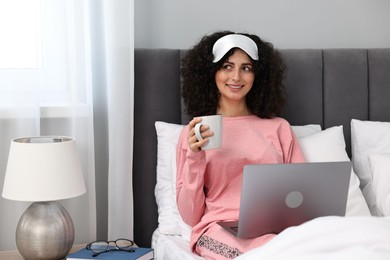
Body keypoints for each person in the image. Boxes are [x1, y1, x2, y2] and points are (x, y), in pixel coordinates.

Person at [176, 31, 305, 259]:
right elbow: (190, 216)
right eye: (227, 66)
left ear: (257, 76)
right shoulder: (196, 132)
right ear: (211, 72)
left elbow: (303, 196)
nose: (236, 76)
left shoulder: (279, 128)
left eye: (246, 68)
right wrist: (195, 157)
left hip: (272, 230)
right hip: (218, 230)